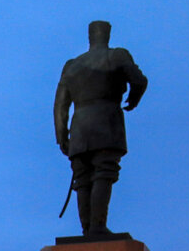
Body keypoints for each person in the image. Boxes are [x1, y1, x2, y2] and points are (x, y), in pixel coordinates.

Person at [54, 20, 148, 236]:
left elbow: (60, 104)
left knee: (83, 177)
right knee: (104, 171)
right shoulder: (117, 55)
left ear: (90, 37)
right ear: (107, 36)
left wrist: (61, 135)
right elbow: (139, 80)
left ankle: (88, 229)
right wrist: (134, 98)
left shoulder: (72, 65)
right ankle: (97, 227)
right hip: (106, 122)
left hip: (79, 128)